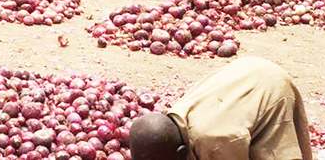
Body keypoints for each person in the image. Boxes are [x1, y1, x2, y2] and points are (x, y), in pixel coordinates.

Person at [129, 57, 312, 160]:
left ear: (181, 153)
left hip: (270, 84)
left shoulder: (218, 142)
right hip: (245, 69)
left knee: (273, 151)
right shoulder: (174, 119)